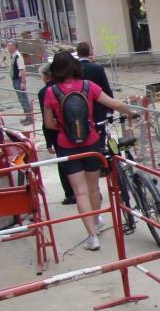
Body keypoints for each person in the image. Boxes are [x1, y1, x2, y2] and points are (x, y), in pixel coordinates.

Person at [42, 51, 138, 251]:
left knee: (80, 192)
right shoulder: (88, 86)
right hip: (91, 142)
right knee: (94, 188)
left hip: (67, 146)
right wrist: (132, 112)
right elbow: (114, 103)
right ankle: (96, 220)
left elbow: (48, 124)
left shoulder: (51, 92)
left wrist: (64, 126)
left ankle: (92, 236)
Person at [37, 59, 76, 206]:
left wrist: (48, 141)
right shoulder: (66, 86)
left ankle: (70, 193)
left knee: (63, 163)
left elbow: (46, 118)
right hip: (74, 128)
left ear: (47, 75)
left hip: (57, 131)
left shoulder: (45, 92)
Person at [76, 40, 114, 137]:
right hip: (98, 106)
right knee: (100, 135)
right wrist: (110, 109)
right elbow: (106, 88)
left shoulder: (73, 69)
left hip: (79, 108)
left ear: (78, 53)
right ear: (89, 53)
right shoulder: (97, 68)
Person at [7, 39, 33, 125]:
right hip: (15, 80)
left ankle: (30, 118)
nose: (8, 47)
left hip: (19, 80)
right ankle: (27, 116)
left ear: (14, 47)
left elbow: (22, 70)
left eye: (9, 46)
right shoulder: (13, 56)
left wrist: (23, 82)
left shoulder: (18, 57)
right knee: (21, 99)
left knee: (24, 99)